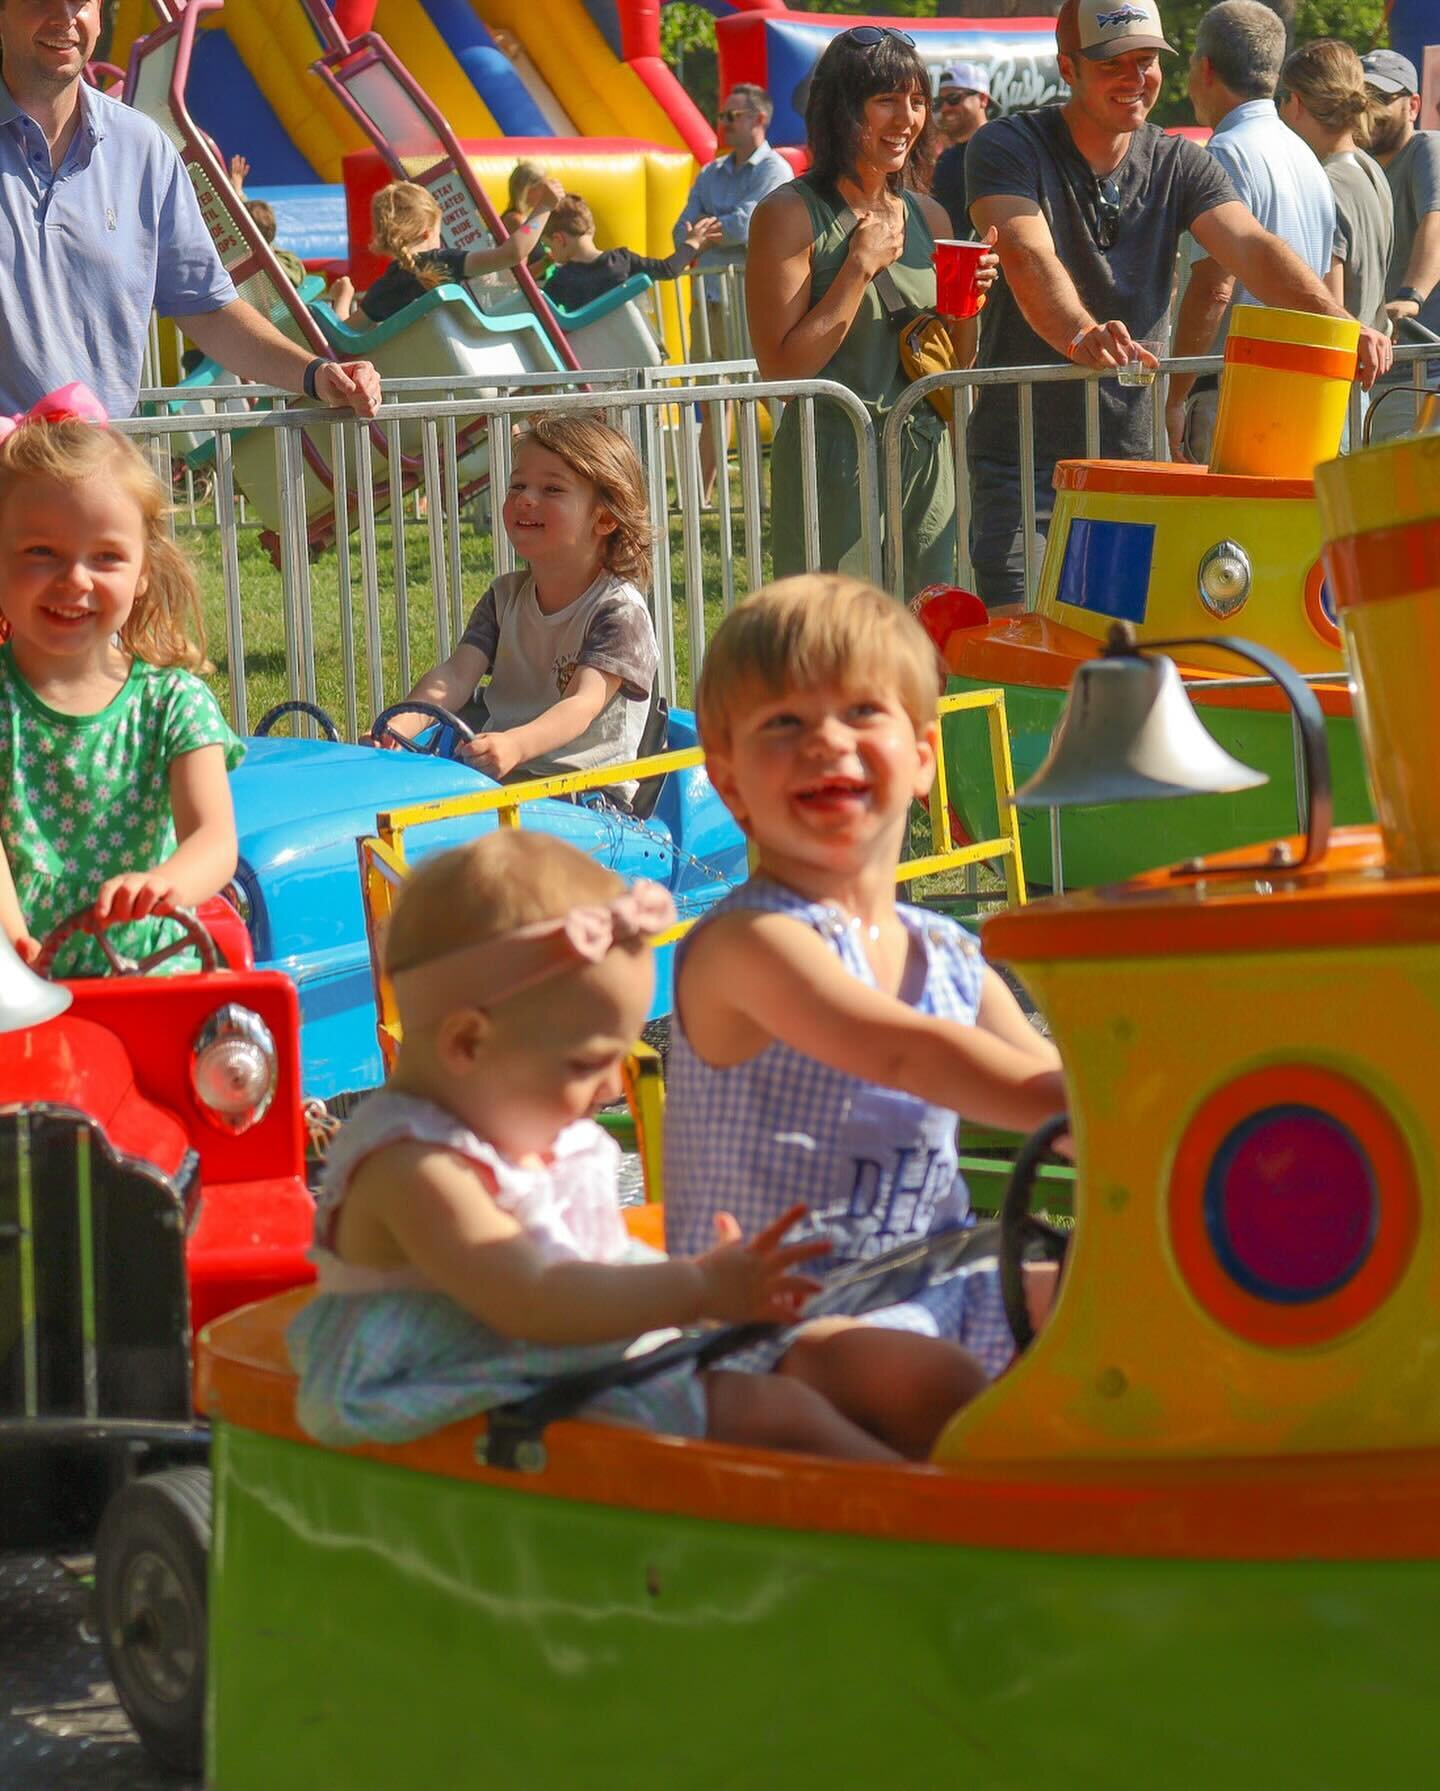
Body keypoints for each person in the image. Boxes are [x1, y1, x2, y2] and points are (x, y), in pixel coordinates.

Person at [284, 828, 916, 1461]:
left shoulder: (511, 1117)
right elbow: (532, 1300)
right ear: (468, 1044)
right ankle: (923, 1526)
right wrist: (697, 1289)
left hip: (557, 1353)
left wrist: (710, 1284)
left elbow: (586, 1268)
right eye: (588, 1063)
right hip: (466, 1387)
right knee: (771, 1411)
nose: (615, 1086)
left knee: (825, 1360)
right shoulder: (416, 1167)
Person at [664, 577, 1067, 1421]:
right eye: (785, 722)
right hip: (778, 1326)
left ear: (923, 758)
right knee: (919, 1376)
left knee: (1109, 1307)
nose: (826, 741)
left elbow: (1059, 1091)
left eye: (860, 713)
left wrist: (1149, 1120)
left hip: (944, 1279)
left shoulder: (950, 954)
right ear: (729, 780)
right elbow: (903, 1050)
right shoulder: (747, 944)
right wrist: (1083, 1103)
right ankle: (1000, 1531)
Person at [963, 0, 1390, 612]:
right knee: (1022, 635)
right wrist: (1081, 334)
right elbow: (1026, 252)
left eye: (1148, 61)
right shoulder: (1008, 144)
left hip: (1130, 466)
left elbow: (1250, 246)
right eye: (1115, 63)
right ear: (1068, 67)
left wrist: (1341, 324)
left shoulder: (1179, 160)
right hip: (1023, 464)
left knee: (1121, 655)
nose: (1136, 79)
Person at [0, 0, 379, 420]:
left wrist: (316, 374)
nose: (64, 18)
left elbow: (207, 309)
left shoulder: (142, 148)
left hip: (94, 472)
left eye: (80, 2)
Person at [747, 28, 997, 593]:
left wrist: (969, 303)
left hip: (926, 457)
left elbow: (953, 364)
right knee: (836, 641)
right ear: (840, 108)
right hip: (832, 459)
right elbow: (783, 376)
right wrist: (857, 269)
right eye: (885, 100)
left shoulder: (931, 216)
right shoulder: (788, 213)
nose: (906, 119)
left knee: (926, 634)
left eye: (916, 100)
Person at [0, 395, 242, 978]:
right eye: (41, 552)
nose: (74, 579)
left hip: (152, 975)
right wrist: (13, 944)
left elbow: (213, 839)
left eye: (106, 556)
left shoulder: (173, 705)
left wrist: (161, 884)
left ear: (142, 573)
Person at [374, 415, 659, 804]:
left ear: (605, 517)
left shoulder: (617, 613)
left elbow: (582, 703)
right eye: (518, 485)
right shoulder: (504, 597)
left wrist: (515, 745)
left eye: (552, 489)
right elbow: (456, 676)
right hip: (500, 781)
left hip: (584, 795)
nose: (526, 498)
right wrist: (398, 726)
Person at [1168, 3, 1342, 464]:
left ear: (1204, 69)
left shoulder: (1223, 153)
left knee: (1217, 535)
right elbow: (1324, 278)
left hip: (1234, 396)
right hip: (1301, 394)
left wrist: (1174, 394)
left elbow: (1212, 288)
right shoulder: (1305, 154)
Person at [672, 85, 793, 498]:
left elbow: (752, 223)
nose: (722, 123)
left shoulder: (776, 170)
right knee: (713, 398)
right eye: (722, 115)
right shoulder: (710, 172)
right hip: (708, 299)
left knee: (771, 396)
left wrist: (705, 231)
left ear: (759, 119)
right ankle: (698, 497)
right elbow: (681, 230)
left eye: (732, 116)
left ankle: (792, 489)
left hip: (750, 301)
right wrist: (710, 230)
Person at [326, 177, 565, 328]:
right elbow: (512, 253)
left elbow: (345, 334)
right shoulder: (444, 263)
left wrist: (343, 297)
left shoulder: (385, 287)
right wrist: (544, 206)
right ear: (427, 232)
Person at [1278, 39, 1393, 334]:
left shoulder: (1323, 184)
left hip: (1336, 366)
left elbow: (1329, 309)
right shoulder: (1371, 169)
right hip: (1367, 363)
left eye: (1281, 98)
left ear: (1296, 102)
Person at [1360, 49, 1440, 441]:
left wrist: (1412, 296)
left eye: (1381, 97)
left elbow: (1438, 220)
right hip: (1385, 374)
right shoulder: (1359, 168)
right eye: (1360, 97)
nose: (1368, 109)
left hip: (1427, 371)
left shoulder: (1428, 148)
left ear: (1413, 105)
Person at [543, 193, 722, 312]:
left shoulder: (562, 279)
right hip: (631, 350)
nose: (550, 253)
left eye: (549, 246)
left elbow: (540, 312)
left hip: (589, 358)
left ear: (559, 239)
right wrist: (692, 242)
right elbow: (669, 269)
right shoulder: (622, 260)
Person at [932, 61, 993, 237]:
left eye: (953, 99)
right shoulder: (947, 157)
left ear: (983, 99)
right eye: (940, 101)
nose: (945, 108)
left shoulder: (1000, 149)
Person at [499, 157, 551, 272]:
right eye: (543, 188)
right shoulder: (516, 221)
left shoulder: (527, 219)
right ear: (528, 190)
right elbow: (522, 274)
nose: (547, 193)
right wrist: (551, 258)